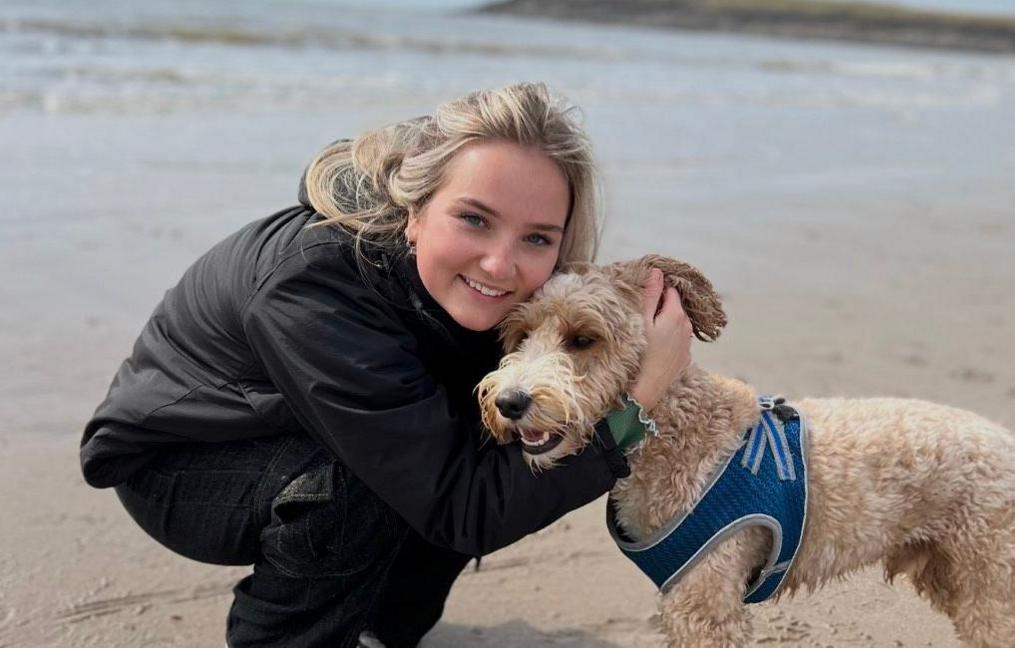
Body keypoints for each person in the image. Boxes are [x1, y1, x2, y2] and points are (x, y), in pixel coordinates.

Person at [80, 83, 693, 648]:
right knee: (364, 487)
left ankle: (380, 630)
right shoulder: (311, 289)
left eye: (537, 237)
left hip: (308, 428)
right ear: (415, 210)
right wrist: (635, 406)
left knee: (465, 436)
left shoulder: (501, 294)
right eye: (474, 219)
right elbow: (464, 508)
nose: (501, 265)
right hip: (180, 463)